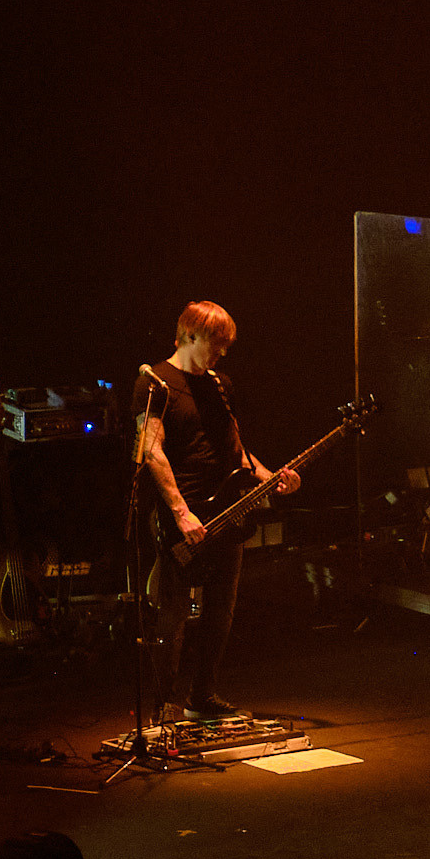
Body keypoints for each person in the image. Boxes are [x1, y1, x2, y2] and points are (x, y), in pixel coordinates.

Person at [132, 301, 298, 721]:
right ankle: (166, 705)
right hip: (181, 515)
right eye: (216, 343)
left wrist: (269, 476)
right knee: (173, 614)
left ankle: (202, 695)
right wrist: (180, 511)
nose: (222, 352)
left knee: (221, 610)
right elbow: (151, 451)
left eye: (227, 345)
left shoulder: (221, 384)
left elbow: (236, 449)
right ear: (190, 335)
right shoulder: (156, 384)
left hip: (228, 512)